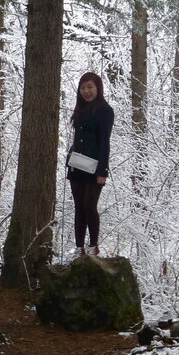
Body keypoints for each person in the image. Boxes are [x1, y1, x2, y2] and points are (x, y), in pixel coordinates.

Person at [67, 71, 114, 257]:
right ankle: (79, 247)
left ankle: (93, 245)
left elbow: (105, 142)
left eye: (90, 87)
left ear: (98, 88)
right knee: (79, 207)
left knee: (89, 206)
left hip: (95, 166)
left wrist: (103, 170)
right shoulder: (80, 109)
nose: (86, 91)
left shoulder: (105, 110)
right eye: (83, 88)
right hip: (76, 164)